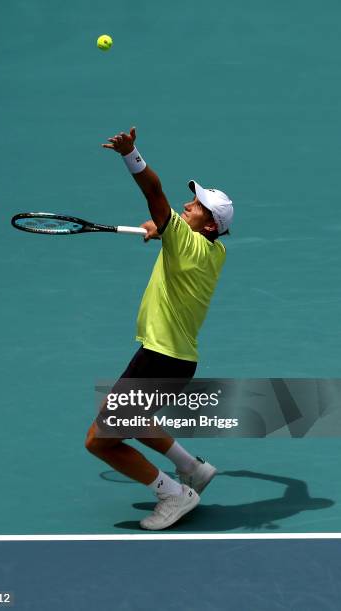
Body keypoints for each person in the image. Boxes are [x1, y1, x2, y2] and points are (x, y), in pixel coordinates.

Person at [85, 127, 234, 530]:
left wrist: (131, 154)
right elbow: (171, 227)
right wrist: (162, 229)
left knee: (100, 440)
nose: (190, 204)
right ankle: (193, 469)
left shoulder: (187, 241)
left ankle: (172, 493)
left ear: (207, 225)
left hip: (160, 356)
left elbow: (154, 193)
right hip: (176, 359)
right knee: (132, 419)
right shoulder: (213, 250)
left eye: (198, 205)